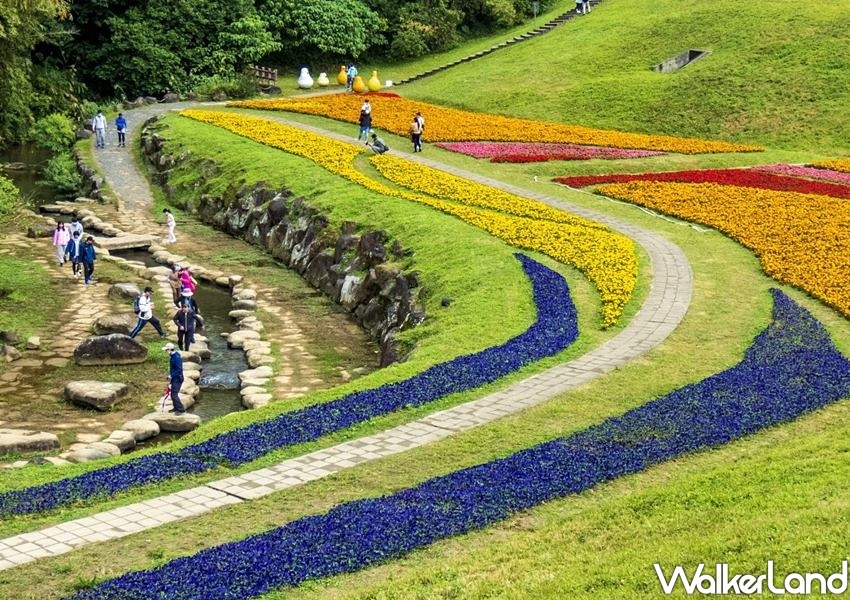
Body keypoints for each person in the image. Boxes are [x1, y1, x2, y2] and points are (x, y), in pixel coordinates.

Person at [163, 342, 186, 414]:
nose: (165, 351)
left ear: (170, 349)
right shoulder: (173, 355)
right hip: (174, 378)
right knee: (173, 393)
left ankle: (181, 410)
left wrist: (171, 375)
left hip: (178, 378)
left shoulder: (176, 357)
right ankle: (176, 408)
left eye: (166, 350)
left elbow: (179, 369)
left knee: (174, 394)